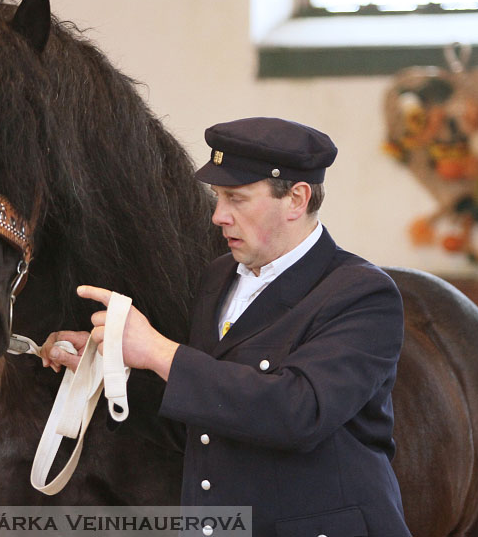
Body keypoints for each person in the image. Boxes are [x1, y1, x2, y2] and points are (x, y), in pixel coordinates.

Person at [43, 117, 411, 537]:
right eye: (217, 197)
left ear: (296, 199)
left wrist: (160, 352)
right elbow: (204, 422)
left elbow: (299, 411)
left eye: (237, 198)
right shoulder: (218, 278)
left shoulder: (361, 293)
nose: (219, 215)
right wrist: (109, 369)